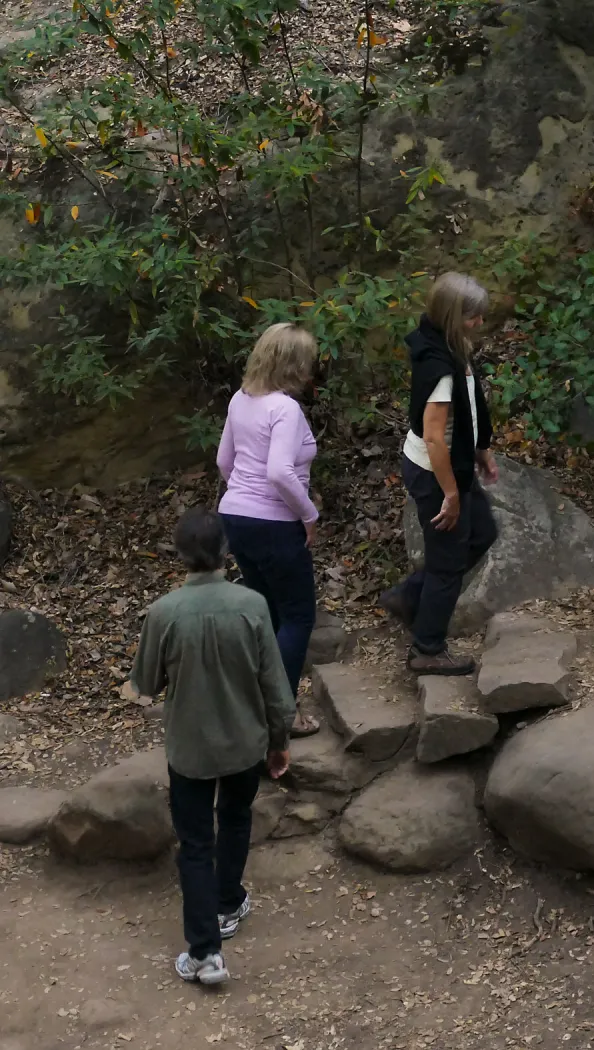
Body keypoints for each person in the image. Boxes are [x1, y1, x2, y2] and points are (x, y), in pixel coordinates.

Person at [130, 509, 295, 986]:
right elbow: (274, 684)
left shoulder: (164, 613)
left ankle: (205, 953)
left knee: (196, 843)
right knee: (238, 817)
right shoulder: (253, 605)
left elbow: (145, 684)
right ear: (226, 551)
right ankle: (227, 903)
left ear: (179, 556)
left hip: (190, 749)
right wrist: (279, 739)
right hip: (246, 741)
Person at [377, 273, 499, 675]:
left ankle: (410, 597)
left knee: (481, 533)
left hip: (455, 466)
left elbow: (469, 405)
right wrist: (450, 494)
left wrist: (480, 448)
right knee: (447, 563)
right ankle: (427, 648)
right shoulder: (439, 368)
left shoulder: (448, 343)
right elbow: (434, 438)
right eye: (472, 317)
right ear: (451, 316)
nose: (479, 323)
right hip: (436, 472)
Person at [217, 322, 322, 737]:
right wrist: (309, 515)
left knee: (269, 615)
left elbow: (225, 462)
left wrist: (245, 500)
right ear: (294, 364)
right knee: (297, 618)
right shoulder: (285, 409)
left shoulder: (241, 400)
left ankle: (256, 704)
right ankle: (282, 713)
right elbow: (279, 472)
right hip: (274, 524)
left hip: (236, 518)